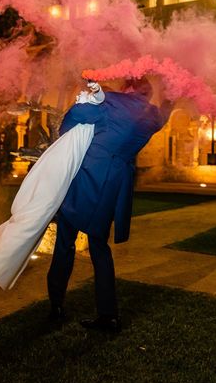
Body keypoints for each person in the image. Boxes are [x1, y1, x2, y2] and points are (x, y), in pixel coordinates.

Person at [0, 81, 106, 308]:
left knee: (26, 226)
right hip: (58, 170)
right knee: (29, 225)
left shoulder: (85, 117)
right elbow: (97, 100)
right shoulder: (85, 112)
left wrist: (97, 90)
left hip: (61, 170)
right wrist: (96, 90)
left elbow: (97, 101)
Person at [47, 77, 170, 333]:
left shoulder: (112, 103)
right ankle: (108, 314)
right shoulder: (153, 117)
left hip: (87, 177)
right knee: (99, 248)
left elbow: (68, 123)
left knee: (65, 242)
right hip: (113, 185)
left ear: (128, 87)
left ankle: (56, 303)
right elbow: (165, 114)